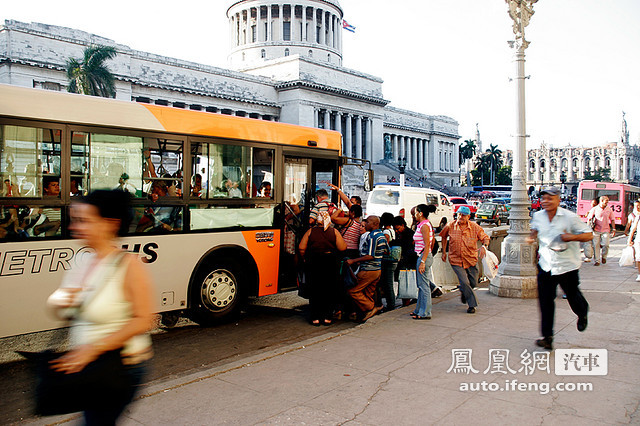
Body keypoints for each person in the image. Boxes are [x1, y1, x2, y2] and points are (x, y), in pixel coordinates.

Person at [46, 189, 155, 424]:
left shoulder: (129, 266)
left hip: (121, 367)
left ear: (110, 224)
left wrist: (93, 349)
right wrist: (60, 301)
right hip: (89, 366)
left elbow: (144, 319)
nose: (76, 227)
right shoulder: (82, 260)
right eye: (75, 220)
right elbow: (62, 303)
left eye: (84, 220)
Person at [526, 186, 591, 350]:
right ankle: (547, 337)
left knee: (573, 295)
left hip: (567, 265)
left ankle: (582, 313)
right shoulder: (538, 216)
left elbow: (588, 234)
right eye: (543, 198)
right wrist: (531, 237)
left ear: (558, 199)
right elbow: (535, 230)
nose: (545, 201)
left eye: (550, 198)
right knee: (545, 302)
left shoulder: (569, 217)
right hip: (546, 265)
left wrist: (572, 237)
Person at [298, 211, 346, 326]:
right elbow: (343, 247)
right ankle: (327, 318)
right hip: (330, 263)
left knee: (315, 290)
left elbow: (301, 248)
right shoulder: (334, 232)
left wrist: (305, 257)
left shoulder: (311, 231)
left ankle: (315, 318)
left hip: (314, 262)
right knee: (329, 290)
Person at [440, 205, 489, 314]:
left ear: (468, 217)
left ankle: (464, 290)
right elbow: (443, 236)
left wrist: (484, 246)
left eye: (463, 215)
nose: (460, 217)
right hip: (456, 259)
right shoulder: (451, 226)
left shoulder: (475, 227)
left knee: (473, 283)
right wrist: (444, 252)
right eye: (459, 214)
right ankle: (472, 305)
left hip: (471, 259)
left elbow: (485, 238)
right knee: (464, 281)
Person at [345, 215, 389, 322]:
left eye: (368, 222)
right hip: (377, 269)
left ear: (375, 224)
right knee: (368, 292)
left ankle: (371, 308)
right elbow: (387, 251)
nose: (366, 224)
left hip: (369, 269)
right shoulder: (382, 235)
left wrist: (353, 261)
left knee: (353, 291)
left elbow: (370, 255)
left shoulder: (372, 236)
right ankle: (369, 312)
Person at [411, 204, 436, 320]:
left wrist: (423, 261)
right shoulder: (422, 225)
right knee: (421, 285)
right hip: (421, 256)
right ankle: (419, 310)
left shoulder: (425, 226)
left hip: (423, 257)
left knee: (424, 286)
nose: (414, 215)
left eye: (416, 212)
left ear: (420, 213)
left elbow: (427, 245)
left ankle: (425, 312)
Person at [585, 195, 616, 265]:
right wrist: (588, 229)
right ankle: (597, 261)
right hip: (596, 230)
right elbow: (589, 219)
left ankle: (604, 256)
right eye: (606, 201)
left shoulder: (609, 209)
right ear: (601, 201)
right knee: (596, 245)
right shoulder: (595, 209)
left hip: (606, 230)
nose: (607, 203)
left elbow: (613, 219)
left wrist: (614, 229)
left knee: (606, 245)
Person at [377, 212, 398, 311]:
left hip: (387, 260)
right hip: (393, 260)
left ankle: (391, 305)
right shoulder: (392, 230)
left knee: (388, 283)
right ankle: (391, 303)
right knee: (389, 282)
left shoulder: (386, 232)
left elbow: (385, 244)